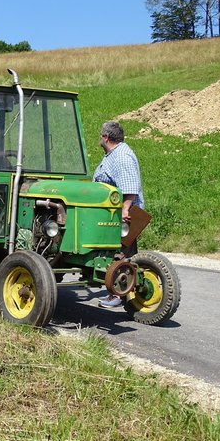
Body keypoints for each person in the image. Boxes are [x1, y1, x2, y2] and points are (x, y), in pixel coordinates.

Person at [93, 121, 145, 308]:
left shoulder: (122, 156)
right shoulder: (113, 154)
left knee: (121, 254)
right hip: (115, 213)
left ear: (106, 137)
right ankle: (122, 293)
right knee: (117, 252)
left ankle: (118, 294)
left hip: (125, 215)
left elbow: (130, 187)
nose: (100, 138)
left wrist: (125, 210)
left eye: (101, 135)